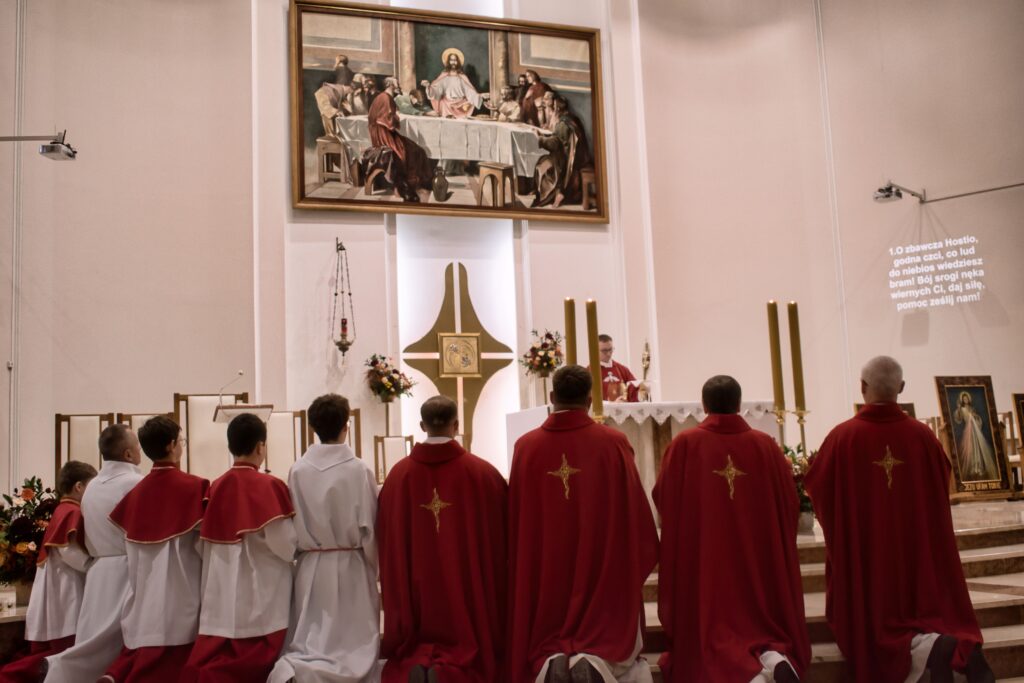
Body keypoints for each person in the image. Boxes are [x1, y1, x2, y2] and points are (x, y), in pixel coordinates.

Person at [804, 356, 995, 683]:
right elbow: (941, 485)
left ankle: (924, 650)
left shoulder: (842, 438)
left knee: (873, 626)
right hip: (916, 556)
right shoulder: (923, 437)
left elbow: (818, 489)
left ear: (862, 387)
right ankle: (933, 644)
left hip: (868, 560)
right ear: (902, 388)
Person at [653, 375, 809, 683]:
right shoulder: (765, 445)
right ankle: (770, 655)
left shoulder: (685, 444)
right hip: (755, 554)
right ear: (739, 404)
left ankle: (743, 665)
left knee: (711, 629)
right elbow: (789, 502)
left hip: (706, 556)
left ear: (704, 405)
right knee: (760, 616)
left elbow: (664, 498)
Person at [508, 365, 658, 683]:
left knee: (548, 612)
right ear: (590, 400)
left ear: (552, 398)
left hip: (546, 566)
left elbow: (517, 518)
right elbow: (635, 512)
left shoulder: (526, 447)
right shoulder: (613, 443)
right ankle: (593, 657)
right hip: (601, 562)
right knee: (608, 622)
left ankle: (552, 658)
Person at [378, 396, 507, 683]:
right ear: (456, 425)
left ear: (422, 425)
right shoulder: (483, 474)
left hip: (418, 581)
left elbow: (388, 538)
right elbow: (501, 537)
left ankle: (418, 656)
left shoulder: (398, 476)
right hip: (466, 583)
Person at [268, 394, 380, 683]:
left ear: (313, 428)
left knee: (312, 638)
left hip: (312, 566)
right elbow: (370, 526)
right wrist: (374, 567)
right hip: (352, 564)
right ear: (346, 425)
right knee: (353, 643)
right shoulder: (358, 470)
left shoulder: (298, 469)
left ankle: (301, 671)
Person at [182, 413, 297, 682]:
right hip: (262, 586)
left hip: (221, 585)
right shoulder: (270, 485)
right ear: (260, 446)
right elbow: (285, 545)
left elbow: (202, 544)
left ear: (230, 446)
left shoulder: (216, 486)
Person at [101, 415, 209, 683]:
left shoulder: (135, 494)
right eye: (181, 441)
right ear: (172, 445)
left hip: (144, 590)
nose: (182, 446)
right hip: (182, 588)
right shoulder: (196, 487)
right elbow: (204, 545)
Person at [43, 425, 144, 683]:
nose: (140, 450)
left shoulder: (93, 486)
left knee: (93, 636)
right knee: (118, 639)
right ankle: (63, 667)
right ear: (128, 454)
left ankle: (68, 671)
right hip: (127, 568)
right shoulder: (136, 483)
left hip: (98, 571)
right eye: (137, 446)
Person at [0, 462, 97, 682]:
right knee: (64, 651)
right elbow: (67, 549)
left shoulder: (63, 509)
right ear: (79, 487)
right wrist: (94, 566)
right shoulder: (72, 511)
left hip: (60, 583)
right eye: (92, 485)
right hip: (66, 587)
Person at [364, 76, 432, 203]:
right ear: (390, 84)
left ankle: (414, 184)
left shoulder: (386, 97)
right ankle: (404, 187)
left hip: (386, 132)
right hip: (383, 134)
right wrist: (396, 118)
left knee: (415, 149)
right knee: (406, 152)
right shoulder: (385, 97)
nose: (399, 85)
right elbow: (386, 120)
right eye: (396, 83)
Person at [535, 96, 593, 209]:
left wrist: (539, 138)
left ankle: (556, 193)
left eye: (552, 107)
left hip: (568, 160)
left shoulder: (562, 124)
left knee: (542, 163)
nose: (551, 110)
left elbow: (554, 144)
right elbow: (560, 140)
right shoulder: (572, 119)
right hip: (579, 157)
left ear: (557, 109)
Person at [421, 48, 485, 119]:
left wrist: (480, 96)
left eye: (455, 60)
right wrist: (428, 86)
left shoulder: (462, 77)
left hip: (460, 108)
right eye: (451, 60)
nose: (453, 62)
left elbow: (470, 91)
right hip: (446, 107)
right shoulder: (444, 76)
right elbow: (436, 90)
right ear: (448, 61)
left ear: (458, 62)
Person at [953, 391, 998, 481]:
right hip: (969, 431)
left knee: (979, 447)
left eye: (966, 398)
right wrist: (958, 409)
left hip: (976, 430)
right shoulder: (962, 409)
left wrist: (975, 416)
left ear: (968, 399)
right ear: (962, 400)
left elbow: (977, 419)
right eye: (964, 398)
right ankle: (973, 467)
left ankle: (979, 466)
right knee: (971, 448)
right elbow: (958, 419)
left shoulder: (972, 408)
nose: (965, 399)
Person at [587, 334, 641, 402]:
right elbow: (588, 398)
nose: (608, 354)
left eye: (610, 350)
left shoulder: (622, 369)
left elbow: (633, 389)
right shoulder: (589, 371)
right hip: (602, 409)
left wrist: (641, 389)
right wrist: (611, 404)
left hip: (623, 407)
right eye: (604, 351)